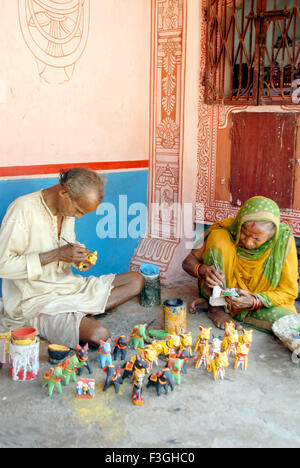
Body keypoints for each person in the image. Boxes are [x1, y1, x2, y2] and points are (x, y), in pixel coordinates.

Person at [0, 167, 144, 348]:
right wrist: (56, 255)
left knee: (136, 280)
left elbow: (69, 244)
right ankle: (75, 315)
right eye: (78, 211)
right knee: (100, 334)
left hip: (69, 288)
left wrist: (80, 258)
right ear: (64, 192)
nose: (78, 216)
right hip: (37, 302)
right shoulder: (22, 210)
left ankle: (77, 313)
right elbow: (3, 265)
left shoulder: (66, 209)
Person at [182, 196, 298, 331]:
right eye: (244, 233)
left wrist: (253, 301)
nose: (248, 243)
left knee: (288, 321)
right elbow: (187, 262)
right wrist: (203, 270)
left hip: (258, 301)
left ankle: (232, 309)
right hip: (223, 295)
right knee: (218, 237)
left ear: (271, 236)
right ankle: (216, 307)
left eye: (257, 239)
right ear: (238, 223)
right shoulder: (227, 229)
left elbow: (288, 292)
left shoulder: (283, 241)